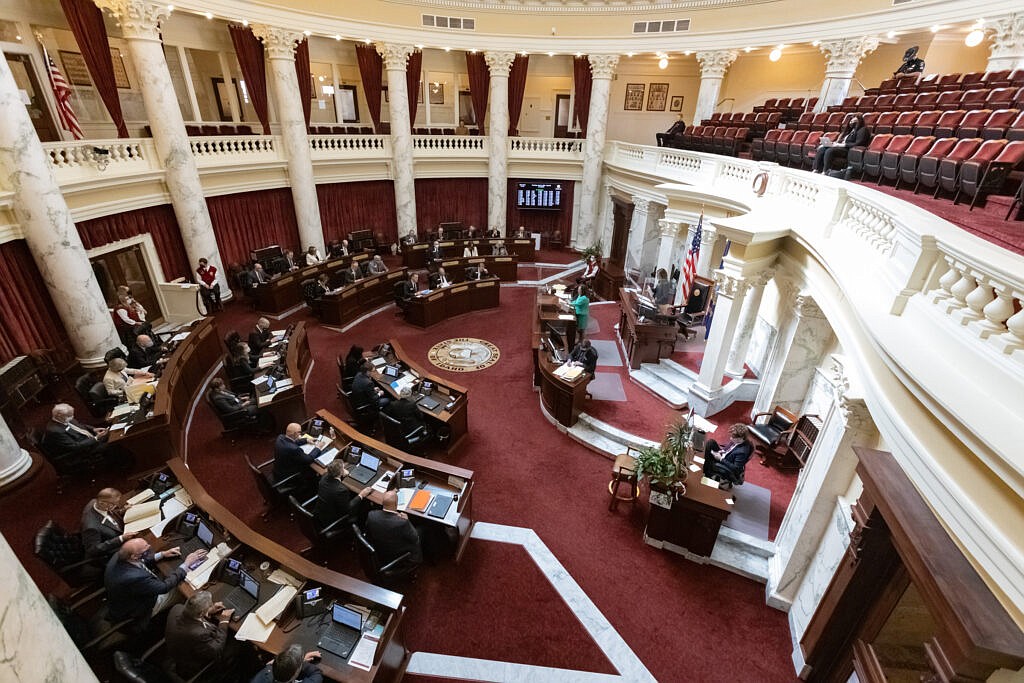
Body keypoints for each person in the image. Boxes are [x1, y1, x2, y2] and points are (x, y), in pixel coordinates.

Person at [105, 537, 206, 633]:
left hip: (128, 599)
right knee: (184, 591)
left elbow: (140, 562)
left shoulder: (120, 556)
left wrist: (162, 554)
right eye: (146, 547)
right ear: (134, 556)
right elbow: (164, 587)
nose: (149, 547)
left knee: (170, 576)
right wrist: (186, 564)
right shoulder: (134, 578)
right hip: (139, 611)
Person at [165, 591, 235, 680]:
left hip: (181, 647)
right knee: (238, 643)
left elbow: (192, 616)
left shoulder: (177, 608)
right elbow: (217, 649)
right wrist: (223, 621)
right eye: (210, 605)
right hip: (194, 662)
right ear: (201, 613)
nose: (211, 605)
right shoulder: (199, 634)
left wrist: (209, 610)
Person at [365, 490, 423, 568]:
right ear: (396, 504)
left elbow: (368, 533)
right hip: (399, 556)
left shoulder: (371, 515)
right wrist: (407, 520)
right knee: (423, 530)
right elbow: (415, 538)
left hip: (380, 551)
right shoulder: (402, 523)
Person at [41, 403, 114, 462]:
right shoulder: (55, 431)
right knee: (113, 443)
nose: (72, 417)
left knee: (112, 433)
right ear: (59, 416)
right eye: (70, 416)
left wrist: (94, 429)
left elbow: (80, 425)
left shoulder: (64, 418)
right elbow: (74, 446)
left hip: (89, 439)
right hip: (83, 450)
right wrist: (96, 438)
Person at [81, 487, 134, 563]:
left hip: (122, 532)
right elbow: (93, 550)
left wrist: (122, 510)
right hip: (113, 549)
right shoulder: (91, 527)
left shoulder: (96, 502)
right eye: (114, 504)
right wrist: (121, 538)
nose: (117, 505)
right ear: (102, 503)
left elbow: (109, 514)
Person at [314, 460, 372, 527]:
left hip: (321, 510)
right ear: (341, 472)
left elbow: (334, 481)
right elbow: (347, 509)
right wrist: (361, 495)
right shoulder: (341, 490)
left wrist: (342, 475)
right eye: (343, 468)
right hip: (332, 519)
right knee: (365, 504)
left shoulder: (324, 476)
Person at [208, 377, 272, 431]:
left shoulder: (221, 391)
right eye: (222, 385)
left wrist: (241, 398)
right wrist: (244, 404)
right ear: (216, 388)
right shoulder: (218, 399)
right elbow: (231, 409)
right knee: (261, 406)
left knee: (258, 400)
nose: (224, 386)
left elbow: (233, 396)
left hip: (240, 402)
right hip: (240, 411)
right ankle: (265, 426)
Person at [703, 423, 754, 489]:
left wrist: (721, 459)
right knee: (710, 442)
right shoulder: (738, 440)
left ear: (740, 438)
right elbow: (728, 448)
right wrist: (721, 451)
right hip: (724, 455)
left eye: (733, 437)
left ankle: (707, 473)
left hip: (725, 464)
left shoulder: (742, 452)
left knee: (709, 459)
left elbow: (736, 468)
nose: (730, 438)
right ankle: (706, 469)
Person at [250, 644, 322, 683]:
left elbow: (270, 664)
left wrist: (298, 663)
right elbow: (316, 674)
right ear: (295, 674)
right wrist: (302, 663)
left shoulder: (265, 672)